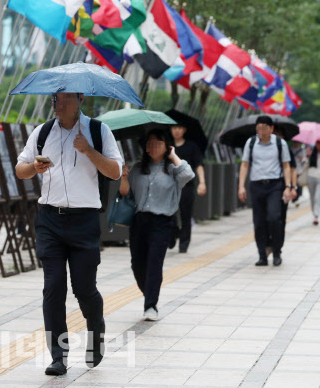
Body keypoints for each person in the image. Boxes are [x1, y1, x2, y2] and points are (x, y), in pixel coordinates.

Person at [15, 92, 123, 377]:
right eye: (54, 100)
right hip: (49, 219)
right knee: (53, 287)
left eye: (64, 100)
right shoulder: (43, 131)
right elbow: (20, 169)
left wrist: (89, 151)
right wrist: (33, 168)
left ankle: (95, 328)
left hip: (84, 220)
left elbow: (115, 171)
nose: (58, 105)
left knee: (84, 289)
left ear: (80, 100)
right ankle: (58, 355)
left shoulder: (99, 131)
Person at [119, 129, 194, 321]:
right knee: (137, 264)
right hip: (139, 221)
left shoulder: (173, 170)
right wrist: (124, 177)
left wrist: (173, 155)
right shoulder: (137, 168)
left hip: (162, 223)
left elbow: (189, 174)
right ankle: (149, 293)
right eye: (149, 143)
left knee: (154, 264)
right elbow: (125, 193)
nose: (152, 146)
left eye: (158, 143)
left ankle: (151, 304)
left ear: (166, 146)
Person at [238, 116, 292, 267]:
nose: (261, 131)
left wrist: (288, 186)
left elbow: (286, 165)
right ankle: (262, 254)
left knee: (274, 217)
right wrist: (241, 186)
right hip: (256, 185)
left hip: (275, 185)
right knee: (259, 221)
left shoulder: (280, 143)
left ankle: (276, 251)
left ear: (271, 129)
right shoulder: (251, 142)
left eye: (264, 128)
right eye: (258, 128)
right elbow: (244, 165)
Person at [169, 125, 205, 253]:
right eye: (174, 128)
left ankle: (184, 243)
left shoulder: (191, 146)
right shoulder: (167, 145)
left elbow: (199, 164)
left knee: (186, 215)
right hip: (169, 187)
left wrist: (202, 182)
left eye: (179, 128)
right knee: (169, 214)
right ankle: (172, 235)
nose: (177, 130)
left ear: (184, 130)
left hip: (186, 186)